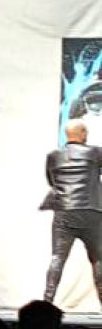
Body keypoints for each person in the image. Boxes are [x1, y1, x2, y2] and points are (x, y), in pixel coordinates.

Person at [41, 118, 102, 306]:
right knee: (98, 258)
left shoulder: (53, 156)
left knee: (58, 257)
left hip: (64, 212)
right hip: (91, 210)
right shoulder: (95, 153)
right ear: (82, 133)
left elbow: (52, 181)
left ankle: (47, 302)